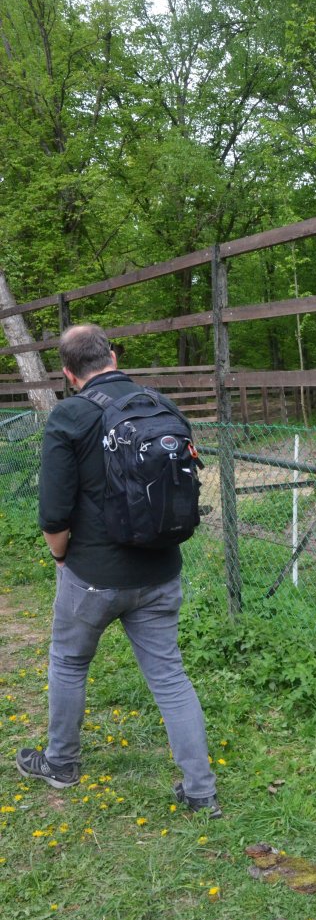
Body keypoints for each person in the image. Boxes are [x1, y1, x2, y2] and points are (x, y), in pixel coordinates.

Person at [16, 324, 220, 818]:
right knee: (170, 677)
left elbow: (53, 514)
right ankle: (200, 791)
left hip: (92, 574)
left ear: (68, 373)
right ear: (112, 355)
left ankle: (61, 763)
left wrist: (62, 557)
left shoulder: (70, 416)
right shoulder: (161, 406)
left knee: (68, 661)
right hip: (160, 569)